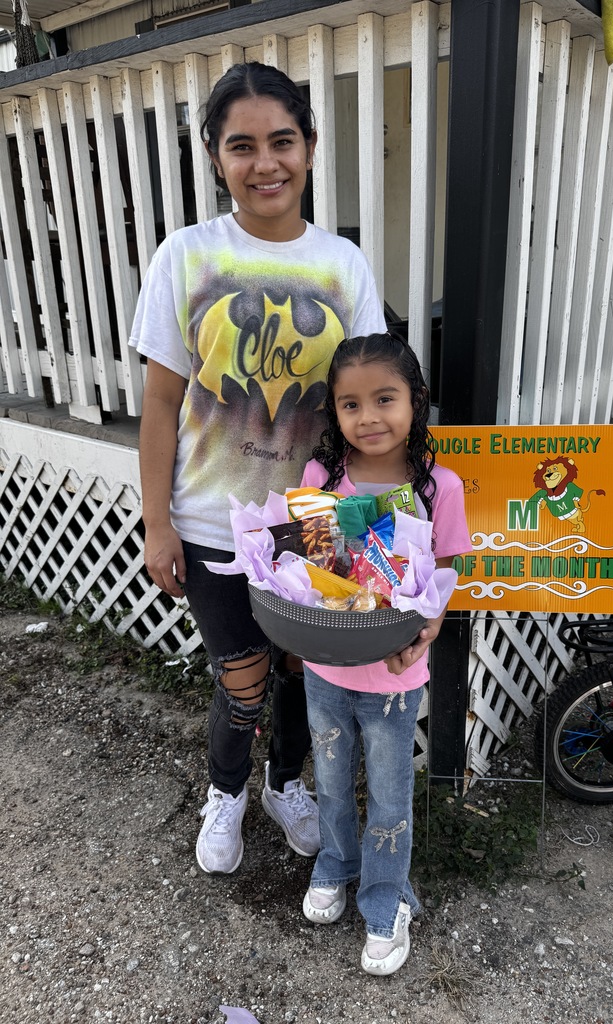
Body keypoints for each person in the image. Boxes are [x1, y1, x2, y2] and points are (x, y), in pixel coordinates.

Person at [129, 62, 386, 875]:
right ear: (216, 156)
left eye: (282, 141)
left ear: (309, 146)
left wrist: (375, 514)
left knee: (303, 671)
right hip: (212, 518)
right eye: (242, 146)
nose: (265, 163)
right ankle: (227, 792)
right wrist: (157, 523)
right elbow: (160, 404)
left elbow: (370, 399)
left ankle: (285, 784)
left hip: (313, 518)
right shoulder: (187, 256)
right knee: (241, 679)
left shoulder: (343, 264)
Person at [298, 334, 472, 975]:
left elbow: (446, 573)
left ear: (416, 401)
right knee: (331, 781)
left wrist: (427, 630)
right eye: (351, 404)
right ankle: (335, 862)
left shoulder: (438, 488)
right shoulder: (319, 480)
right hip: (324, 667)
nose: (368, 417)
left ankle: (384, 898)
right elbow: (307, 572)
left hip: (396, 677)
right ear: (334, 412)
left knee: (391, 797)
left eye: (385, 399)